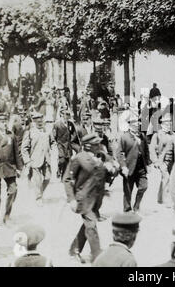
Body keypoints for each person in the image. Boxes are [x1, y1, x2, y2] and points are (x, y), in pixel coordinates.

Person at [64, 133, 108, 263]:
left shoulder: (99, 157)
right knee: (91, 225)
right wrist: (71, 199)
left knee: (87, 225)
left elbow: (102, 176)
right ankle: (96, 255)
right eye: (96, 145)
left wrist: (111, 169)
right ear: (88, 146)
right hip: (83, 199)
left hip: (96, 199)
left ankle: (74, 250)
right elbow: (67, 179)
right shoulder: (78, 158)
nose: (99, 146)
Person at [0, 113, 22, 228]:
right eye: (1, 121)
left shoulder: (11, 135)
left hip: (9, 166)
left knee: (13, 190)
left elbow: (16, 152)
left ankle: (7, 216)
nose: (4, 123)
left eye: (5, 121)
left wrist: (19, 167)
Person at [116, 117, 151, 213]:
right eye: (135, 123)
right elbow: (119, 153)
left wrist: (148, 164)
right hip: (129, 168)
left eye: (138, 123)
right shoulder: (124, 137)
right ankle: (127, 209)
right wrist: (123, 166)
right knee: (128, 191)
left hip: (141, 168)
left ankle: (136, 206)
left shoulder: (142, 136)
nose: (137, 125)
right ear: (130, 125)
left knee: (144, 186)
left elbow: (146, 151)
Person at [150, 114, 175, 206]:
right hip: (162, 161)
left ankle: (161, 198)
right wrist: (155, 161)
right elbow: (152, 149)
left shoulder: (174, 134)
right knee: (166, 178)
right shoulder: (157, 135)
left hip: (173, 160)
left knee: (171, 179)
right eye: (166, 124)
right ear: (161, 124)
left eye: (170, 123)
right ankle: (166, 199)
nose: (169, 125)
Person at [21, 112, 53, 207]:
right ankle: (38, 197)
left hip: (46, 159)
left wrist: (53, 152)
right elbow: (24, 148)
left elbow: (53, 142)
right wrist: (27, 161)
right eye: (37, 122)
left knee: (47, 178)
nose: (40, 123)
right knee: (37, 180)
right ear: (34, 122)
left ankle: (40, 192)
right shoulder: (30, 132)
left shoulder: (47, 131)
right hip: (35, 160)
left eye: (41, 121)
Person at [52, 108, 72, 179]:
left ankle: (64, 176)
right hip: (60, 144)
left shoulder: (70, 123)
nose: (67, 116)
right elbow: (54, 135)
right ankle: (59, 169)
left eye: (68, 114)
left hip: (68, 145)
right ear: (62, 114)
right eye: (65, 114)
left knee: (67, 160)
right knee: (62, 160)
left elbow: (73, 133)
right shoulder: (57, 124)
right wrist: (55, 143)